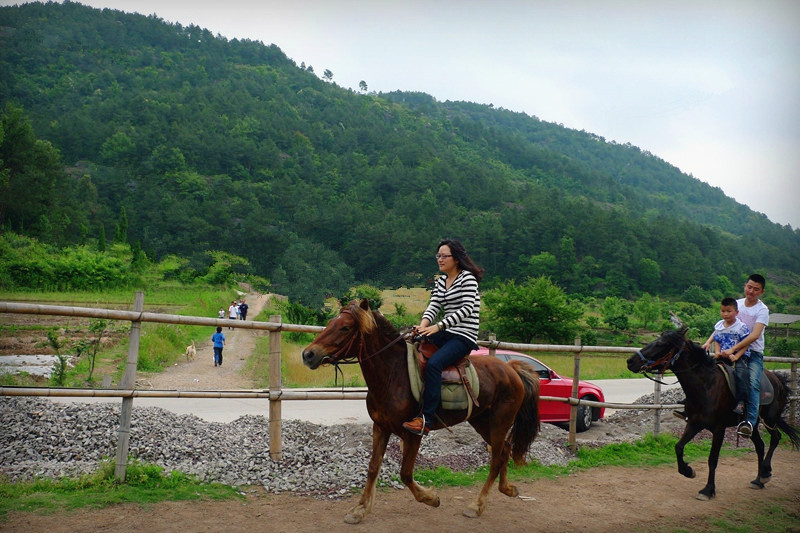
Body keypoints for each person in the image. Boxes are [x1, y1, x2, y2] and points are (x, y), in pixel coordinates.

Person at [402, 239, 484, 436]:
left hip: (463, 335)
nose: (439, 259)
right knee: (409, 345)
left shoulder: (468, 278)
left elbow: (467, 309)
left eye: (444, 256)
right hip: (446, 331)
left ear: (456, 258)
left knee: (434, 364)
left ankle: (426, 419)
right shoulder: (441, 281)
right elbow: (434, 306)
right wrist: (422, 327)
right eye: (438, 255)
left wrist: (438, 327)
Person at [719, 274, 769, 438]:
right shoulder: (737, 304)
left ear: (762, 292)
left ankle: (749, 422)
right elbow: (722, 326)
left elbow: (754, 335)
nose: (751, 291)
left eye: (756, 289)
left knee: (753, 382)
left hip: (753, 353)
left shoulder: (762, 310)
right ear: (745, 286)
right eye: (749, 287)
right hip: (729, 350)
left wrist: (733, 349)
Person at [697, 297, 750, 415]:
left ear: (736, 312)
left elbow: (745, 344)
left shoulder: (741, 327)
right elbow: (718, 340)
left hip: (738, 357)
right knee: (704, 370)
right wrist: (717, 352)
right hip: (722, 356)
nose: (725, 314)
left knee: (741, 374)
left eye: (728, 311)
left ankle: (742, 402)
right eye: (723, 311)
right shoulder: (719, 326)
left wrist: (736, 356)